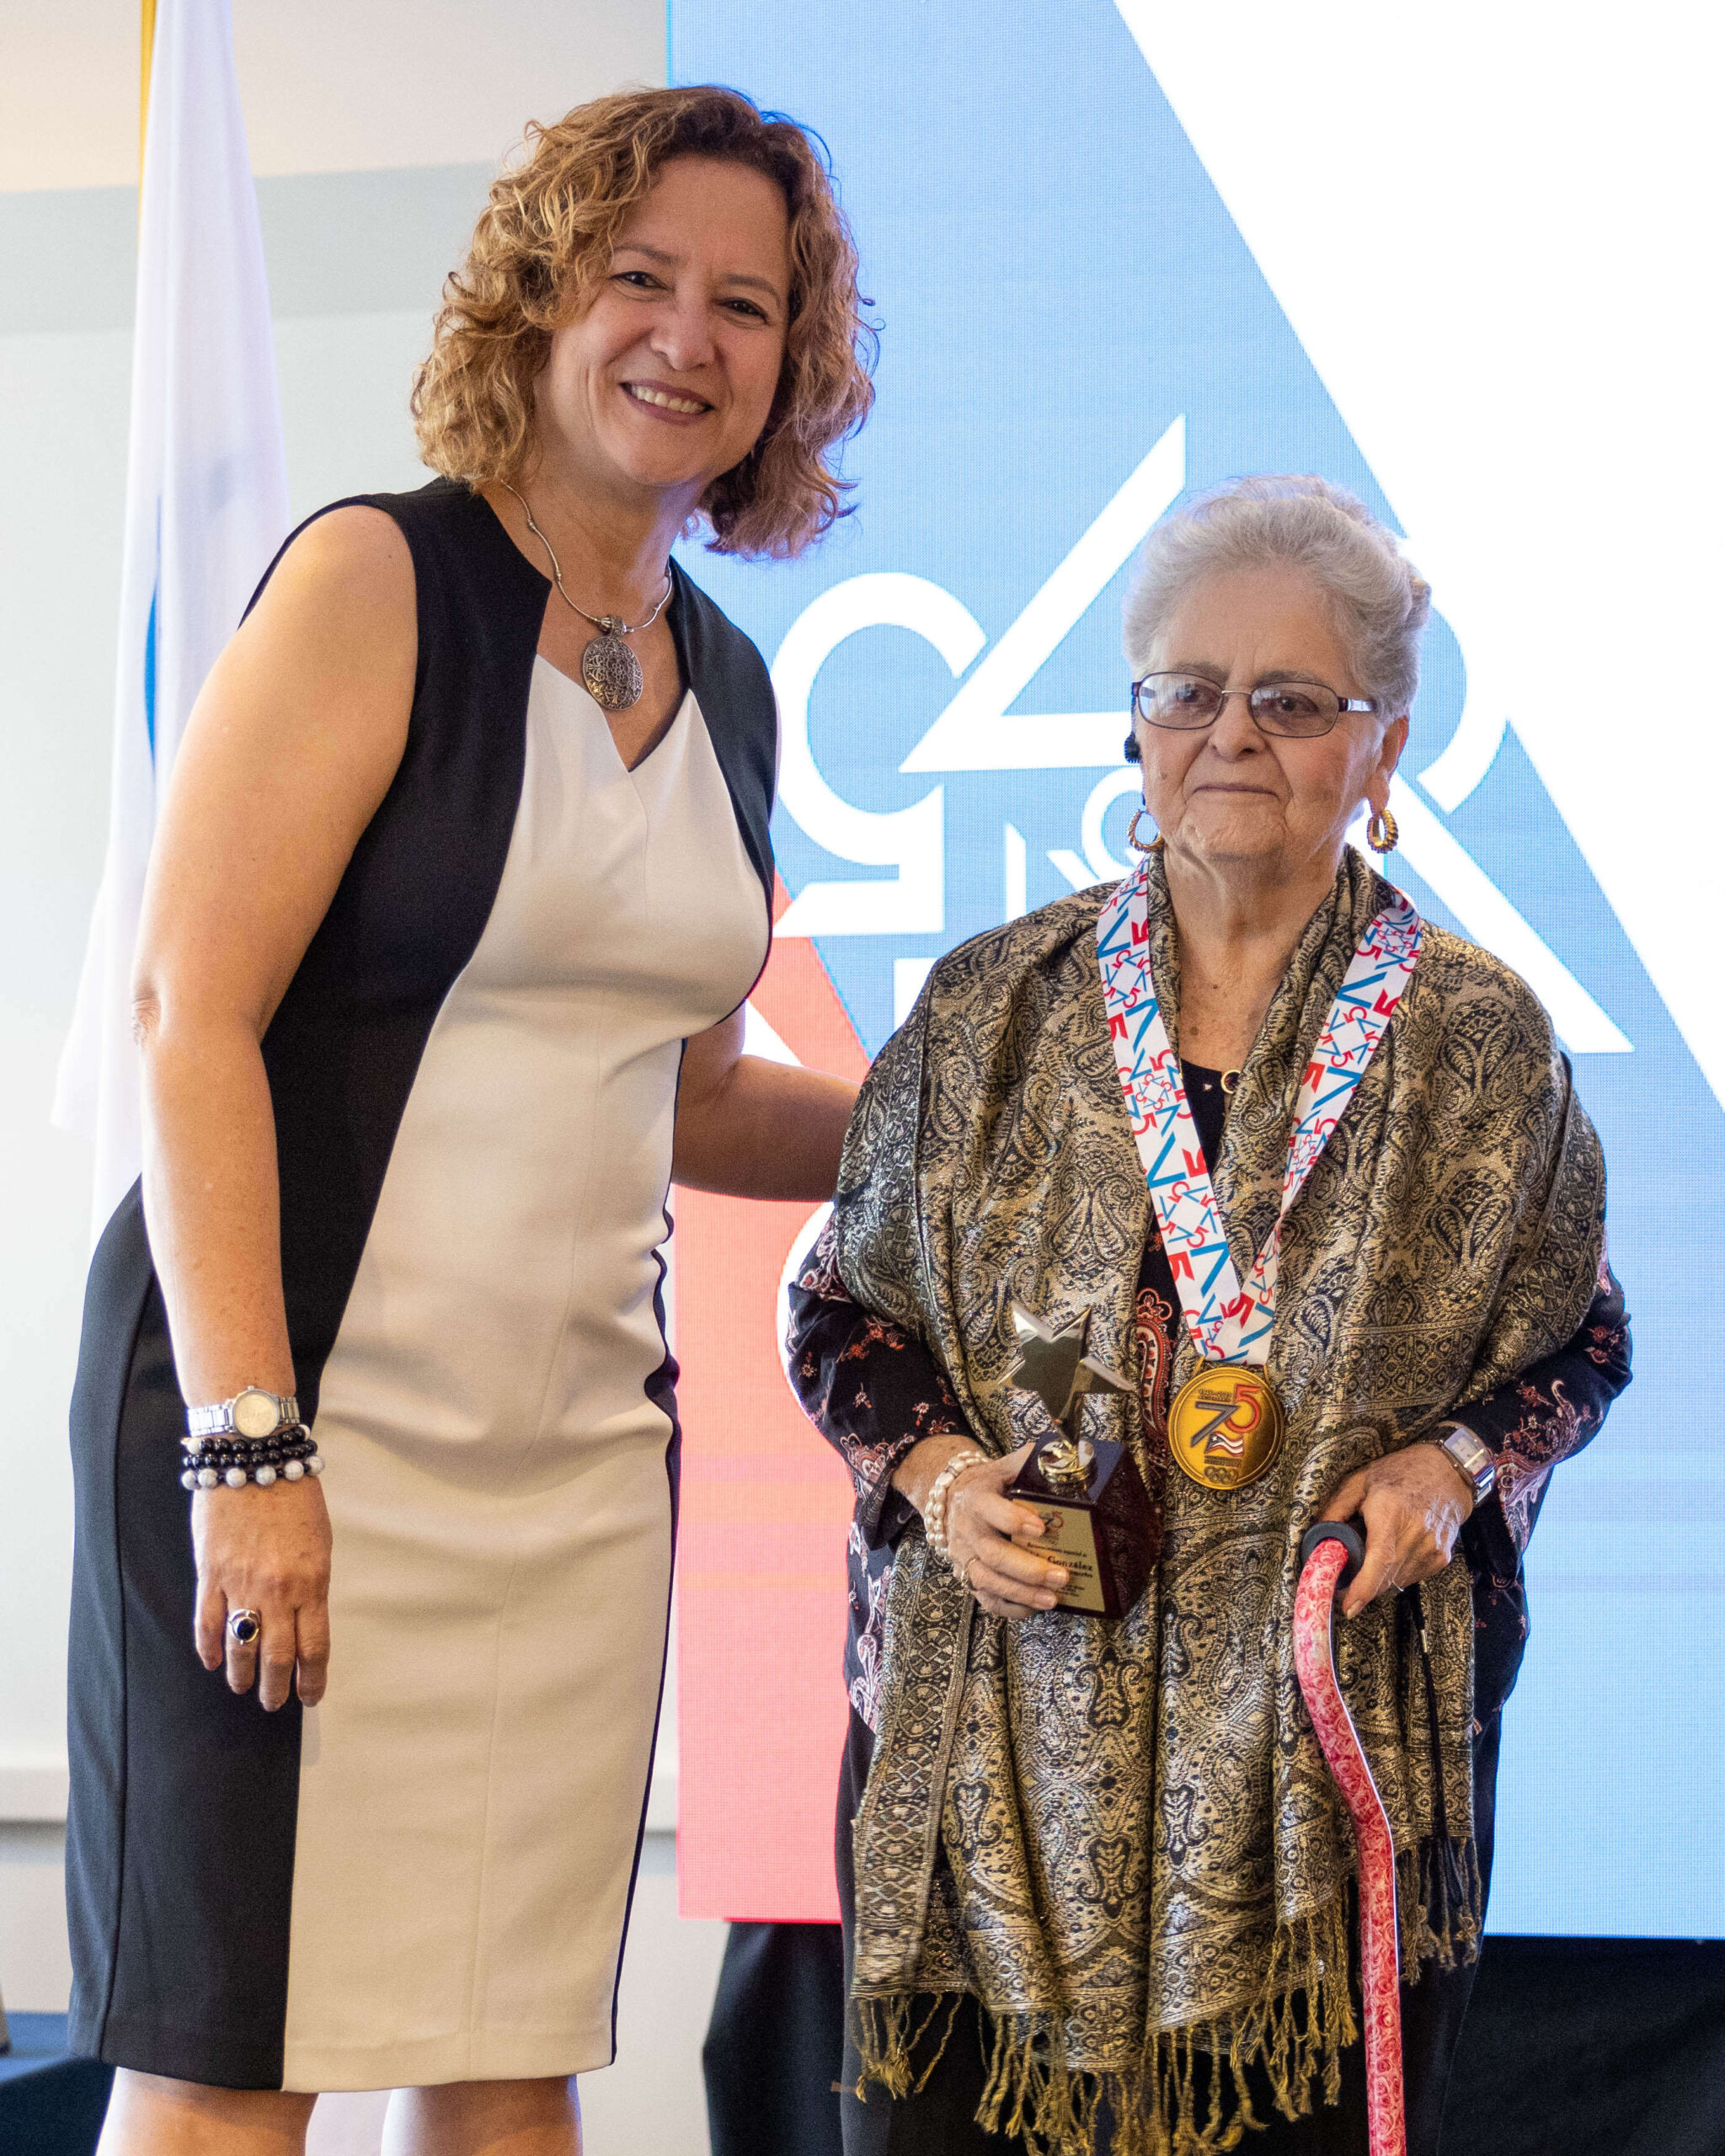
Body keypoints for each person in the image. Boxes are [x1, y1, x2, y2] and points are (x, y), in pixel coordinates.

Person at [67, 84, 871, 2156]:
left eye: (746, 303)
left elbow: (689, 1087)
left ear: (791, 362)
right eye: (638, 276)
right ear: (539, 295)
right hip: (289, 1437)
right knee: (236, 2070)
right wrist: (246, 1445)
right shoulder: (376, 580)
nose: (687, 336)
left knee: (509, 2058)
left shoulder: (731, 682)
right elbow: (187, 1012)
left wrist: (974, 1118)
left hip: (572, 1473)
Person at [789, 476, 1632, 2155]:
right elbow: (838, 1310)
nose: (1231, 732)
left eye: (1294, 701)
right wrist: (942, 1480)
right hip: (994, 1755)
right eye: (1188, 690)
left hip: (1322, 1763)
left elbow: (1577, 1339)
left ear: (1380, 751)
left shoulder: (1474, 1042)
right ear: (1135, 727)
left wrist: (1454, 1466)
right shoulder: (989, 1010)